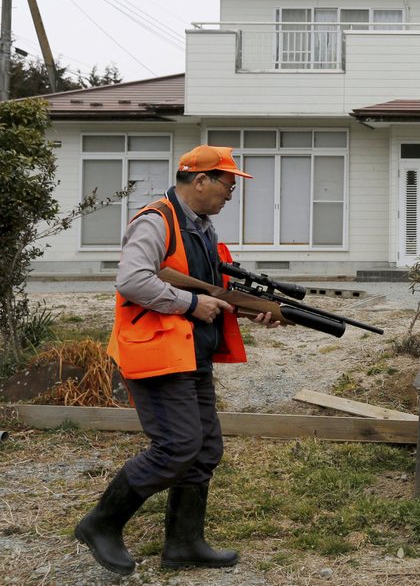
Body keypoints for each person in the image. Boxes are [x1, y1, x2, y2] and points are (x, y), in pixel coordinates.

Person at [74, 145, 278, 576]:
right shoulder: (156, 220)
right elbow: (131, 280)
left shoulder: (201, 228)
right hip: (157, 354)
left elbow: (212, 292)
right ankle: (100, 523)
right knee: (178, 447)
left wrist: (249, 307)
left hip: (190, 353)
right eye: (227, 184)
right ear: (199, 180)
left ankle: (184, 544)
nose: (231, 194)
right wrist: (188, 304)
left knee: (204, 449)